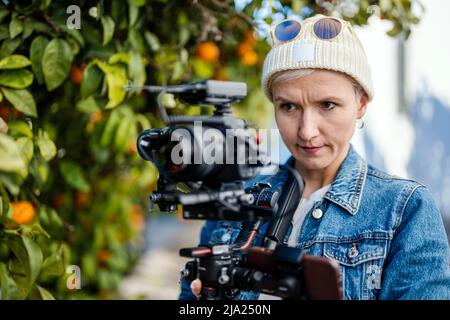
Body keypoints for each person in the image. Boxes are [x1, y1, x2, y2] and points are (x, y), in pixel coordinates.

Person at [179, 13, 450, 300]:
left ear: (361, 104)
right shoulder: (235, 200)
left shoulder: (404, 210)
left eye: (328, 104)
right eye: (289, 107)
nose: (307, 132)